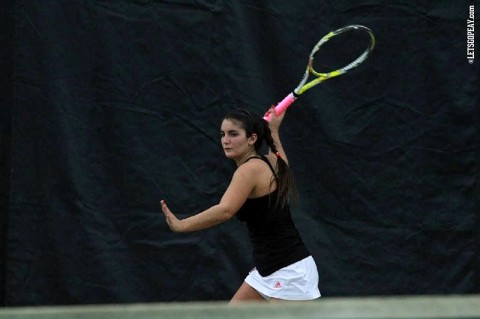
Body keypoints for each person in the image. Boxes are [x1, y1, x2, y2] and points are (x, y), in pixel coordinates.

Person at [160, 106, 321, 302]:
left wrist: (181, 225)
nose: (225, 140)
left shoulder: (249, 170)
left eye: (233, 134)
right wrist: (274, 130)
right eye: (223, 134)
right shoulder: (270, 161)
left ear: (252, 139)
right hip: (267, 269)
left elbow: (225, 210)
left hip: (289, 272)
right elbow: (283, 164)